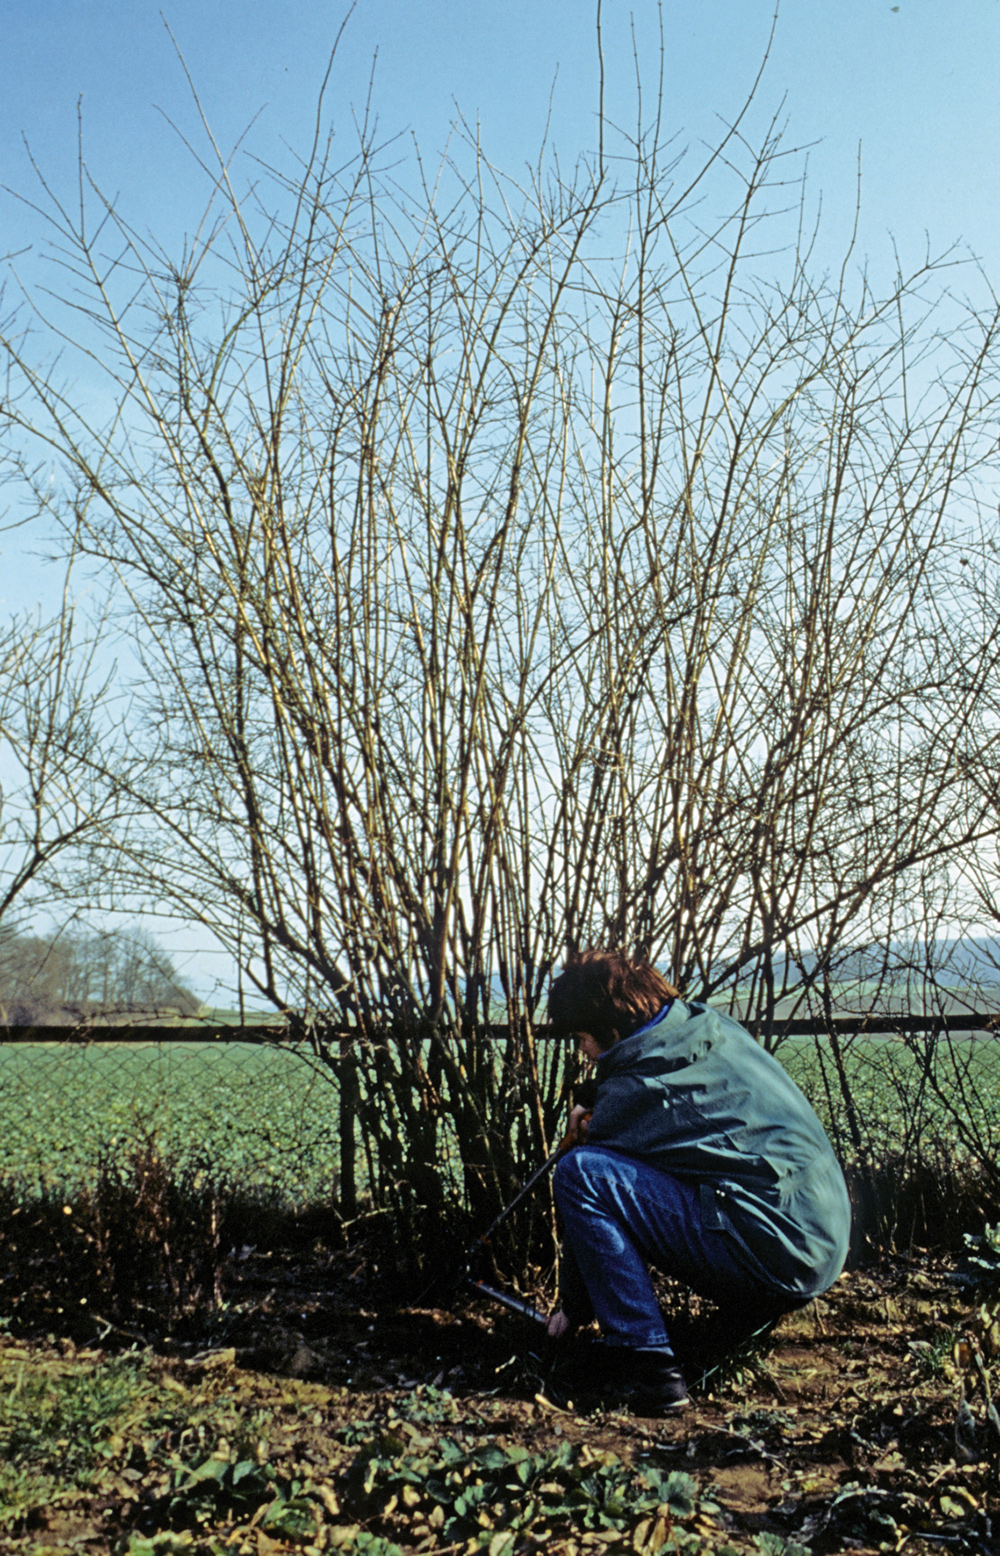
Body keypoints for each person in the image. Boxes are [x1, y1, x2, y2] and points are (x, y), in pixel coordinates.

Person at [545, 949, 852, 1414]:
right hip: (821, 1236)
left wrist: (573, 1309)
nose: (582, 1052)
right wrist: (602, 1108)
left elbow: (596, 1181)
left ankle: (649, 1369)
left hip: (780, 1254)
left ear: (610, 1031)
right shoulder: (708, 1026)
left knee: (579, 1173)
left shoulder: (639, 1093)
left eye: (582, 1038)